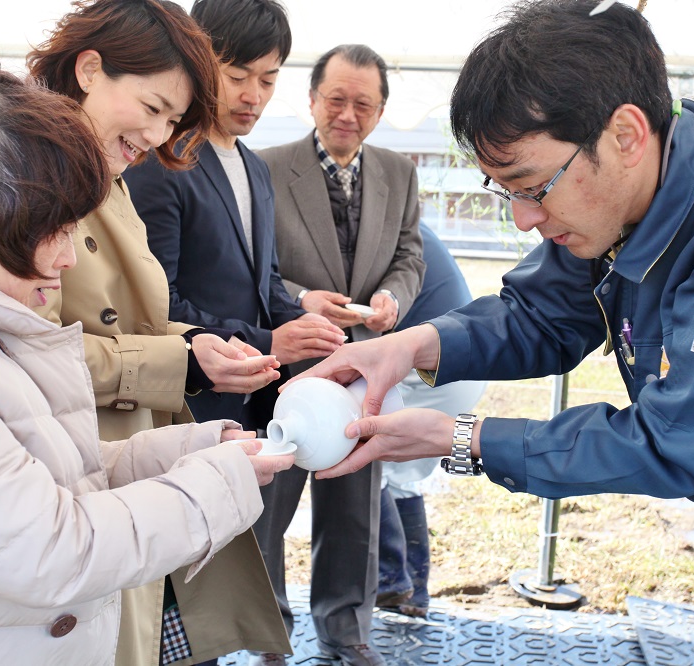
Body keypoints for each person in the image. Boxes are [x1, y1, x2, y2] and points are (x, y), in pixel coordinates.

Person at [294, 2, 694, 665]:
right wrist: (410, 346)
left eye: (532, 187)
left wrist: (462, 439)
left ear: (625, 134)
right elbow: (541, 314)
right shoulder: (635, 178)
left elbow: (668, 441)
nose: (521, 221)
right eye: (503, 190)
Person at [0, 68, 293, 666]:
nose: (68, 257)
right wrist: (219, 484)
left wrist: (193, 450)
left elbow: (48, 475)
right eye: (59, 229)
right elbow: (50, 549)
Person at [27, 2, 291, 664]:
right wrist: (182, 359)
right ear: (89, 70)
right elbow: (27, 357)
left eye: (172, 120)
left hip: (129, 448)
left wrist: (194, 343)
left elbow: (137, 311)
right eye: (151, 107)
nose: (156, 134)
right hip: (66, 470)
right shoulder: (30, 180)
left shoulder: (107, 177)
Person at [255, 44, 425, 666]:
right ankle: (268, 627)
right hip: (287, 367)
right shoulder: (266, 168)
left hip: (364, 369)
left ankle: (347, 629)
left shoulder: (398, 174)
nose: (347, 114)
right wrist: (302, 299)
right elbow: (258, 267)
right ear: (311, 100)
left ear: (380, 112)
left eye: (363, 103)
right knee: (269, 504)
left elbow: (410, 255)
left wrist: (391, 298)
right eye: (336, 99)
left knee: (355, 504)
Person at [124, 0, 345, 435]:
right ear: (200, 63)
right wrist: (266, 341)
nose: (253, 95)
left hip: (252, 402)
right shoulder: (164, 160)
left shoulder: (255, 167)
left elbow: (268, 281)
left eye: (268, 78)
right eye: (237, 76)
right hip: (186, 404)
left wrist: (301, 319)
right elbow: (153, 301)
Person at [375, 225, 487, 619]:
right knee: (398, 475)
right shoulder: (404, 225)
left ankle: (391, 581)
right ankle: (412, 595)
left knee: (368, 454)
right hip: (464, 361)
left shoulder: (373, 230)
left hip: (435, 366)